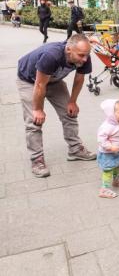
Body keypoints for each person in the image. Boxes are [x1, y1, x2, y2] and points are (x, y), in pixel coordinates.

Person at [16, 34, 97, 177]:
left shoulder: (84, 55)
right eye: (81, 55)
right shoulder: (51, 55)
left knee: (70, 113)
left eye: (86, 55)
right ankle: (37, 160)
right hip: (30, 81)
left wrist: (72, 101)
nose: (85, 59)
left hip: (53, 80)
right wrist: (38, 109)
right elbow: (40, 85)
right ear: (68, 50)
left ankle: (75, 150)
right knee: (34, 121)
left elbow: (79, 78)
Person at [96, 99, 119, 199]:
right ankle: (104, 189)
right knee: (108, 170)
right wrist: (110, 147)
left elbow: (115, 134)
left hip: (116, 152)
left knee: (116, 166)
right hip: (108, 153)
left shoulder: (116, 122)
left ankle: (116, 180)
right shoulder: (106, 126)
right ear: (111, 114)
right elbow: (101, 140)